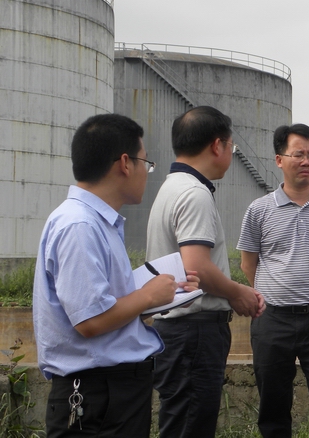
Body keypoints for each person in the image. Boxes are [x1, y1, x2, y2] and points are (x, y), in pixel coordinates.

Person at [33, 114, 199, 438]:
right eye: (146, 163)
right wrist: (147, 296)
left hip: (112, 392)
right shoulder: (79, 225)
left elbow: (106, 308)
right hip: (97, 396)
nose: (146, 172)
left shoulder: (98, 223)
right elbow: (90, 321)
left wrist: (164, 297)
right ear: (125, 163)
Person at [146, 106, 265, 438]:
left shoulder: (171, 187)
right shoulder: (194, 193)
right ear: (217, 146)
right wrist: (238, 293)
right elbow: (196, 266)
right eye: (231, 146)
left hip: (176, 331)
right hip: (194, 333)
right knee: (191, 425)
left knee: (179, 422)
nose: (230, 153)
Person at [237, 123, 309, 438]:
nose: (307, 161)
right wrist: (276, 292)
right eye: (299, 154)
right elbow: (248, 264)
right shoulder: (259, 210)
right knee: (273, 406)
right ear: (280, 160)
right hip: (272, 320)